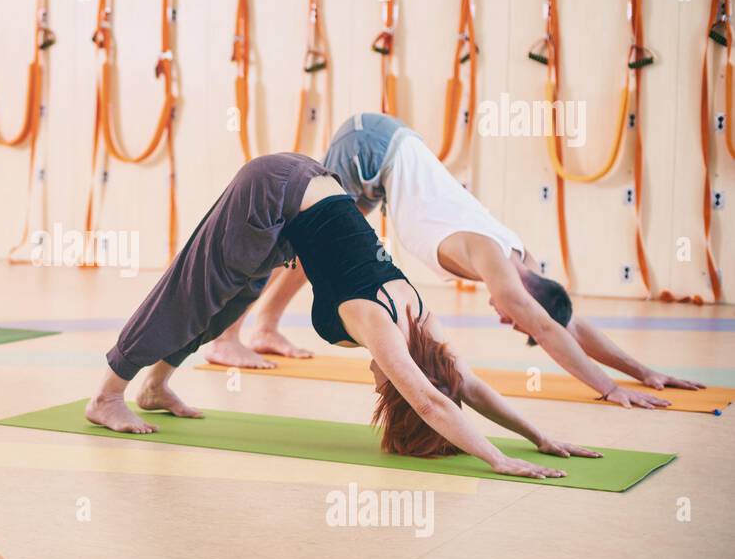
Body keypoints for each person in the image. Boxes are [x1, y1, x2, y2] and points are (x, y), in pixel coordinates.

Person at [87, 152, 600, 479]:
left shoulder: (421, 320)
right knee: (195, 291)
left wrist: (540, 437)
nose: (379, 384)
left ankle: (155, 388)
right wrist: (499, 458)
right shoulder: (380, 322)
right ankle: (107, 396)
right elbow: (429, 400)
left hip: (303, 195)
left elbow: (465, 384)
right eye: (385, 391)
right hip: (276, 189)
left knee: (235, 297)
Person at [206, 113, 702, 409]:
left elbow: (564, 320)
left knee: (323, 247)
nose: (507, 319)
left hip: (385, 149)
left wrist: (644, 371)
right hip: (370, 146)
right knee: (311, 242)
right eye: (516, 318)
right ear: (525, 298)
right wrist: (612, 390)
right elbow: (549, 328)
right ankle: (232, 336)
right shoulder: (501, 266)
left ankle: (263, 325)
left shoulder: (520, 257)